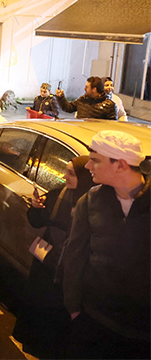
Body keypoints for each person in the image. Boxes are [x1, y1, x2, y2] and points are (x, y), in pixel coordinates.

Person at [63, 131, 149, 359]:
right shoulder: (90, 201)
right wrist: (74, 309)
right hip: (96, 320)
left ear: (120, 164)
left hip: (143, 332)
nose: (88, 165)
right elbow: (75, 257)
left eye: (96, 160)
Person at [11, 156, 94, 359]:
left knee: (60, 328)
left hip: (70, 271)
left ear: (84, 177)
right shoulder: (59, 193)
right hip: (46, 267)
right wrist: (36, 207)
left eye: (71, 173)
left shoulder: (94, 203)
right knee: (39, 317)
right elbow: (37, 221)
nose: (64, 177)